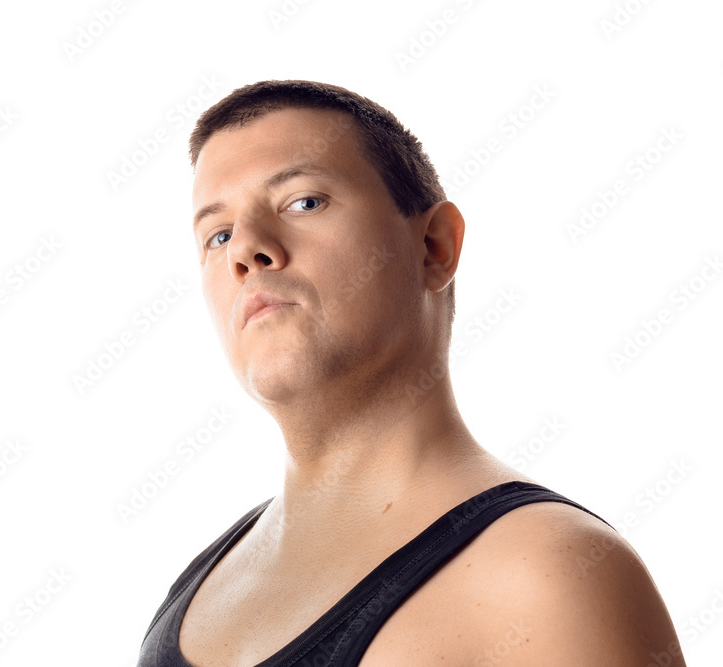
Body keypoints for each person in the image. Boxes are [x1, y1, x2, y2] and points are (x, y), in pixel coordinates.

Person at [136, 80, 686, 666]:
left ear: (434, 247)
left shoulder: (545, 577)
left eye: (304, 202)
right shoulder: (197, 585)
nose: (245, 250)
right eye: (217, 236)